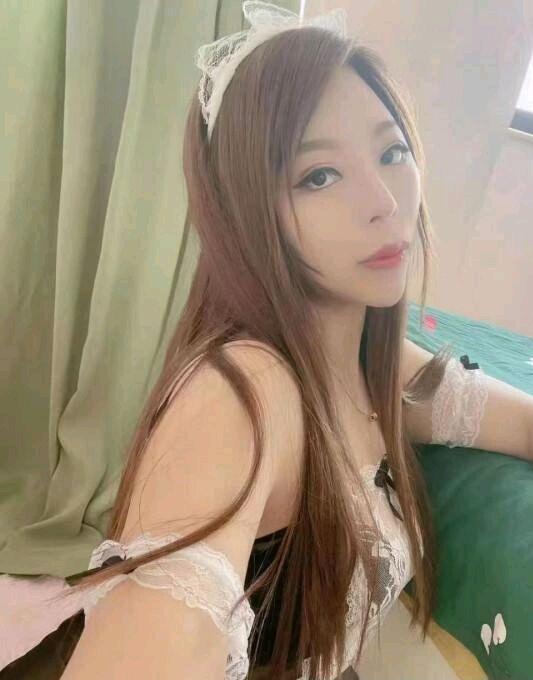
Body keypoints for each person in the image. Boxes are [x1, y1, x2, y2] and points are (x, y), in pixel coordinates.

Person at [5, 2, 487, 678]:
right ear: (248, 214)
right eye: (319, 176)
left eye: (392, 151)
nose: (383, 201)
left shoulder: (377, 369)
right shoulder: (245, 388)